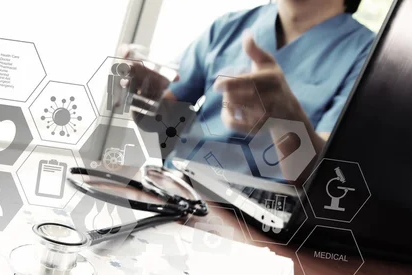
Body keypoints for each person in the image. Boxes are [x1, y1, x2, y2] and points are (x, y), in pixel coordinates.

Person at [122, 0, 375, 181]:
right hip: (177, 186)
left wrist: (285, 116)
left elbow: (317, 176)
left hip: (262, 221)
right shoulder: (227, 27)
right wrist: (143, 96)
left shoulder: (370, 58)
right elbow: (160, 122)